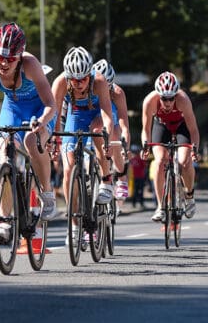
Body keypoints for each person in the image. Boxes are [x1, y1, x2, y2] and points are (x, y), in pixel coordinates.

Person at [0, 23, 58, 242]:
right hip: (12, 109)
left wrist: (42, 122)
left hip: (39, 110)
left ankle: (47, 194)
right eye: (0, 57)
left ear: (20, 56)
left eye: (11, 59)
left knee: (32, 141)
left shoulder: (31, 64)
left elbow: (51, 104)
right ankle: (4, 218)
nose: (4, 63)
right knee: (4, 154)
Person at [51, 47, 115, 212]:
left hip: (97, 114)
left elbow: (107, 114)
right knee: (68, 168)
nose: (79, 84)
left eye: (84, 79)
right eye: (74, 80)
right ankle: (73, 221)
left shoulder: (99, 81)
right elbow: (55, 115)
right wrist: (55, 140)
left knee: (96, 131)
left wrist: (107, 135)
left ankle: (106, 179)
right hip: (76, 116)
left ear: (90, 75)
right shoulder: (60, 83)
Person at [140, 71, 200, 222]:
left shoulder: (183, 100)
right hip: (161, 125)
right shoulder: (149, 101)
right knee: (160, 161)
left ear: (176, 96)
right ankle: (161, 206)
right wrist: (145, 146)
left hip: (181, 127)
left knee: (184, 161)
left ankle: (189, 195)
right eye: (164, 99)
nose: (167, 103)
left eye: (171, 99)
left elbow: (193, 130)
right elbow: (146, 130)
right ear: (158, 95)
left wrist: (195, 149)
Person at [92, 59, 131, 207]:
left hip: (111, 114)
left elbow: (124, 124)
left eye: (107, 86)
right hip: (94, 112)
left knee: (114, 134)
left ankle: (121, 176)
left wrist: (125, 147)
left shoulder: (117, 93)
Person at [129, 144, 147, 209]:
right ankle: (136, 203)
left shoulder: (133, 159)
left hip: (138, 177)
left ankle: (138, 203)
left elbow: (144, 167)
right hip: (136, 177)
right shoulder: (134, 159)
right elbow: (144, 167)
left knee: (138, 191)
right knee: (137, 191)